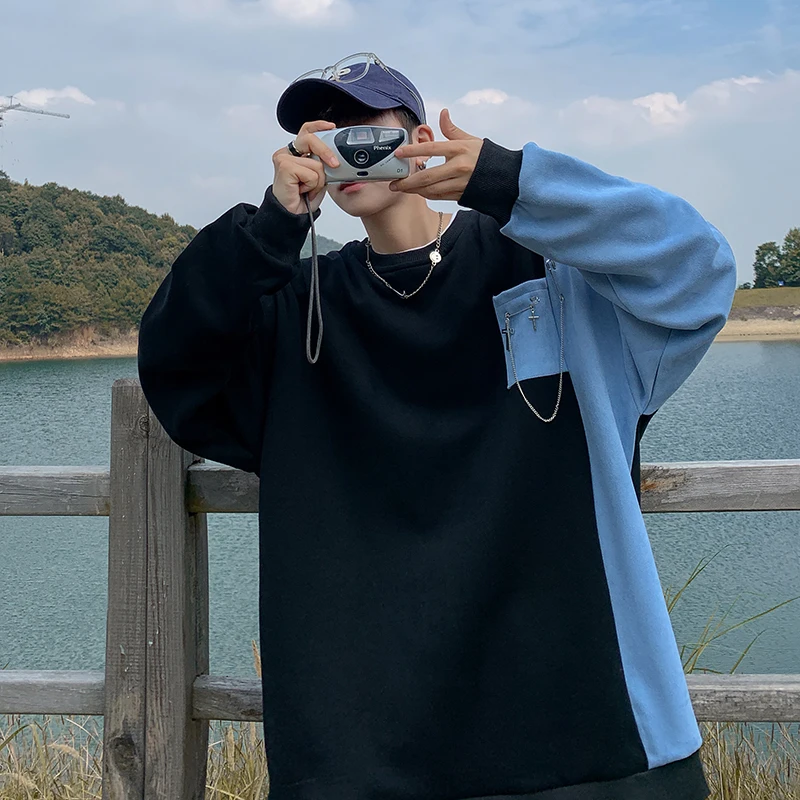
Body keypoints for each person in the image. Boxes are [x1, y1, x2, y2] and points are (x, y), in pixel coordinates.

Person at [137, 52, 737, 800]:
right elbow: (177, 371)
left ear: (420, 137)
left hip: (591, 736)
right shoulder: (293, 311)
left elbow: (698, 271)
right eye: (324, 130)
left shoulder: (556, 277)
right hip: (362, 755)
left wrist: (508, 180)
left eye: (366, 125)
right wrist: (270, 227)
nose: (345, 145)